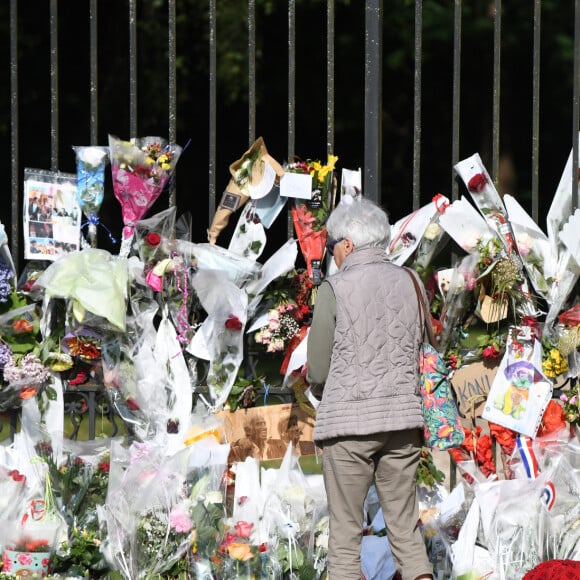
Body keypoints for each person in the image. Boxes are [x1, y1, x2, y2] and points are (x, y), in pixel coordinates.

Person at [307, 197, 433, 580]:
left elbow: (317, 369)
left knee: (345, 536)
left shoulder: (334, 289)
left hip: (349, 426)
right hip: (403, 423)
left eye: (331, 246)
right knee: (406, 531)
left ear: (347, 244)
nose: (331, 254)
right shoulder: (411, 281)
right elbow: (426, 346)